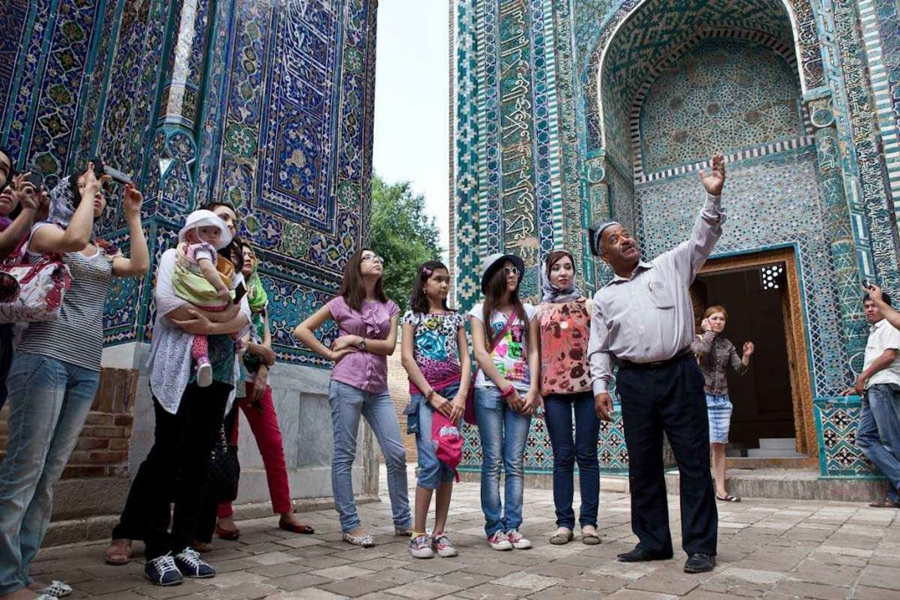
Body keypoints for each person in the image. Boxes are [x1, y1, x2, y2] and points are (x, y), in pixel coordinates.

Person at [0, 164, 149, 600]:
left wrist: (133, 216)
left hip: (84, 367)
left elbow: (139, 265)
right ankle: (5, 581)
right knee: (23, 471)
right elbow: (73, 239)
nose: (97, 194)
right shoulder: (44, 232)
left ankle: (22, 571)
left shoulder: (101, 251)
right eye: (89, 188)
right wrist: (85, 189)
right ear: (70, 193)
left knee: (47, 475)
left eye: (101, 192)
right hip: (43, 358)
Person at [588, 152, 727, 574]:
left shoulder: (670, 265)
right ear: (605, 256)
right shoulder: (604, 297)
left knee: (692, 461)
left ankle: (700, 547)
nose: (625, 240)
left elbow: (703, 238)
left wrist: (713, 198)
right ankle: (652, 541)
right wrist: (600, 387)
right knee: (643, 464)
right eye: (615, 239)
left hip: (680, 374)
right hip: (634, 382)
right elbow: (599, 347)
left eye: (626, 233)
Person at [106, 201, 250, 586]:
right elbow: (168, 305)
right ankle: (157, 549)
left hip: (219, 371)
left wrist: (206, 324)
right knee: (168, 455)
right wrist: (220, 318)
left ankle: (184, 544)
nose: (223, 226)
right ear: (197, 225)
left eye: (229, 223)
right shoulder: (175, 256)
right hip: (178, 370)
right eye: (218, 218)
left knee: (200, 458)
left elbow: (244, 317)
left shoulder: (230, 271)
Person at [294, 248, 411, 547]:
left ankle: (403, 521)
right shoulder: (340, 303)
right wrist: (330, 353)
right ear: (356, 268)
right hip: (346, 383)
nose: (377, 260)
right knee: (344, 455)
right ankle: (350, 525)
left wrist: (354, 340)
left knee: (396, 453)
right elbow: (302, 330)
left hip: (379, 389)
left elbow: (388, 347)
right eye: (369, 257)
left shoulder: (390, 307)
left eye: (379, 258)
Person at [211, 243, 314, 541]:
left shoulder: (260, 296)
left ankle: (285, 509)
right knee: (227, 443)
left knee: (273, 442)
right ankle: (223, 513)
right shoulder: (228, 288)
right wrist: (258, 352)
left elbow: (267, 342)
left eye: (251, 255)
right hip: (229, 375)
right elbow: (232, 335)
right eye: (240, 254)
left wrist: (263, 371)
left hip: (255, 377)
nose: (246, 258)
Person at [469, 253, 540, 551]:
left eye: (515, 270)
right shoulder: (478, 311)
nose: (513, 275)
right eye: (507, 270)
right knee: (493, 461)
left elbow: (533, 351)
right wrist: (505, 387)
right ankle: (494, 528)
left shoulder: (529, 311)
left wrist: (533, 389)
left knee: (515, 462)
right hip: (489, 389)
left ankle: (513, 526)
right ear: (494, 276)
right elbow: (480, 353)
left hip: (522, 390)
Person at [400, 260, 471, 559]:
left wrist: (461, 396)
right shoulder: (411, 317)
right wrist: (431, 395)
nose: (444, 285)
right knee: (429, 461)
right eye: (438, 279)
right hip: (425, 396)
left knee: (448, 462)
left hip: (454, 394)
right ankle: (418, 533)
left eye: (447, 280)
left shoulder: (456, 318)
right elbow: (406, 358)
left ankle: (439, 532)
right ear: (424, 283)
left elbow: (466, 359)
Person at [537, 250, 601, 546]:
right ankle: (564, 523)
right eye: (556, 268)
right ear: (547, 274)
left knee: (586, 455)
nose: (563, 273)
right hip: (553, 392)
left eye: (567, 267)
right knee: (562, 456)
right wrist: (535, 390)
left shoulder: (588, 305)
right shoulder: (538, 312)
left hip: (587, 389)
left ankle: (589, 522)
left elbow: (600, 347)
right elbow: (533, 352)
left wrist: (602, 386)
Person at [690, 305, 754, 503]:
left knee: (719, 445)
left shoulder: (727, 345)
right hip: (704, 398)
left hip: (722, 400)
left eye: (721, 319)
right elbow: (701, 351)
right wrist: (708, 332)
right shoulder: (697, 339)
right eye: (714, 318)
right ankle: (700, 490)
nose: (718, 322)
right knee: (705, 443)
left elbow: (739, 369)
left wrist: (746, 355)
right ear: (706, 320)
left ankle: (721, 490)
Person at [843, 292, 900, 508]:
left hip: (883, 386)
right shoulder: (876, 330)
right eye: (866, 306)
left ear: (884, 306)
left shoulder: (891, 324)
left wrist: (862, 377)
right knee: (865, 438)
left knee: (890, 441)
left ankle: (895, 495)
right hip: (873, 388)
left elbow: (889, 356)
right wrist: (859, 385)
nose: (869, 309)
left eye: (874, 305)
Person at [0, 162, 47, 412]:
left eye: (13, 186)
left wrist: (37, 216)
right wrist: (29, 211)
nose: (8, 190)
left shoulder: (15, 224)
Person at [173, 209, 238, 387]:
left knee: (200, 334)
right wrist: (222, 289)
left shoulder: (233, 272)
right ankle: (234, 341)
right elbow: (207, 269)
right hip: (209, 300)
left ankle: (202, 359)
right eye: (204, 230)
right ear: (191, 234)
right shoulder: (202, 250)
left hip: (230, 372)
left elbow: (246, 316)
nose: (211, 235)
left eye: (216, 232)